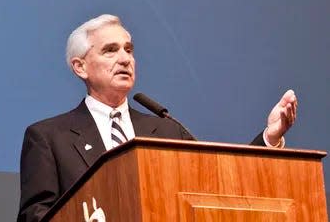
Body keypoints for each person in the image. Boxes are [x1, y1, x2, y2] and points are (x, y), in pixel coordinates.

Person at [17, 14, 297, 222]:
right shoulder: (49, 137)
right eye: (110, 50)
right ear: (80, 67)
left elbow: (223, 188)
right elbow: (35, 216)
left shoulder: (167, 131)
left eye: (129, 49)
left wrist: (269, 138)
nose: (125, 59)